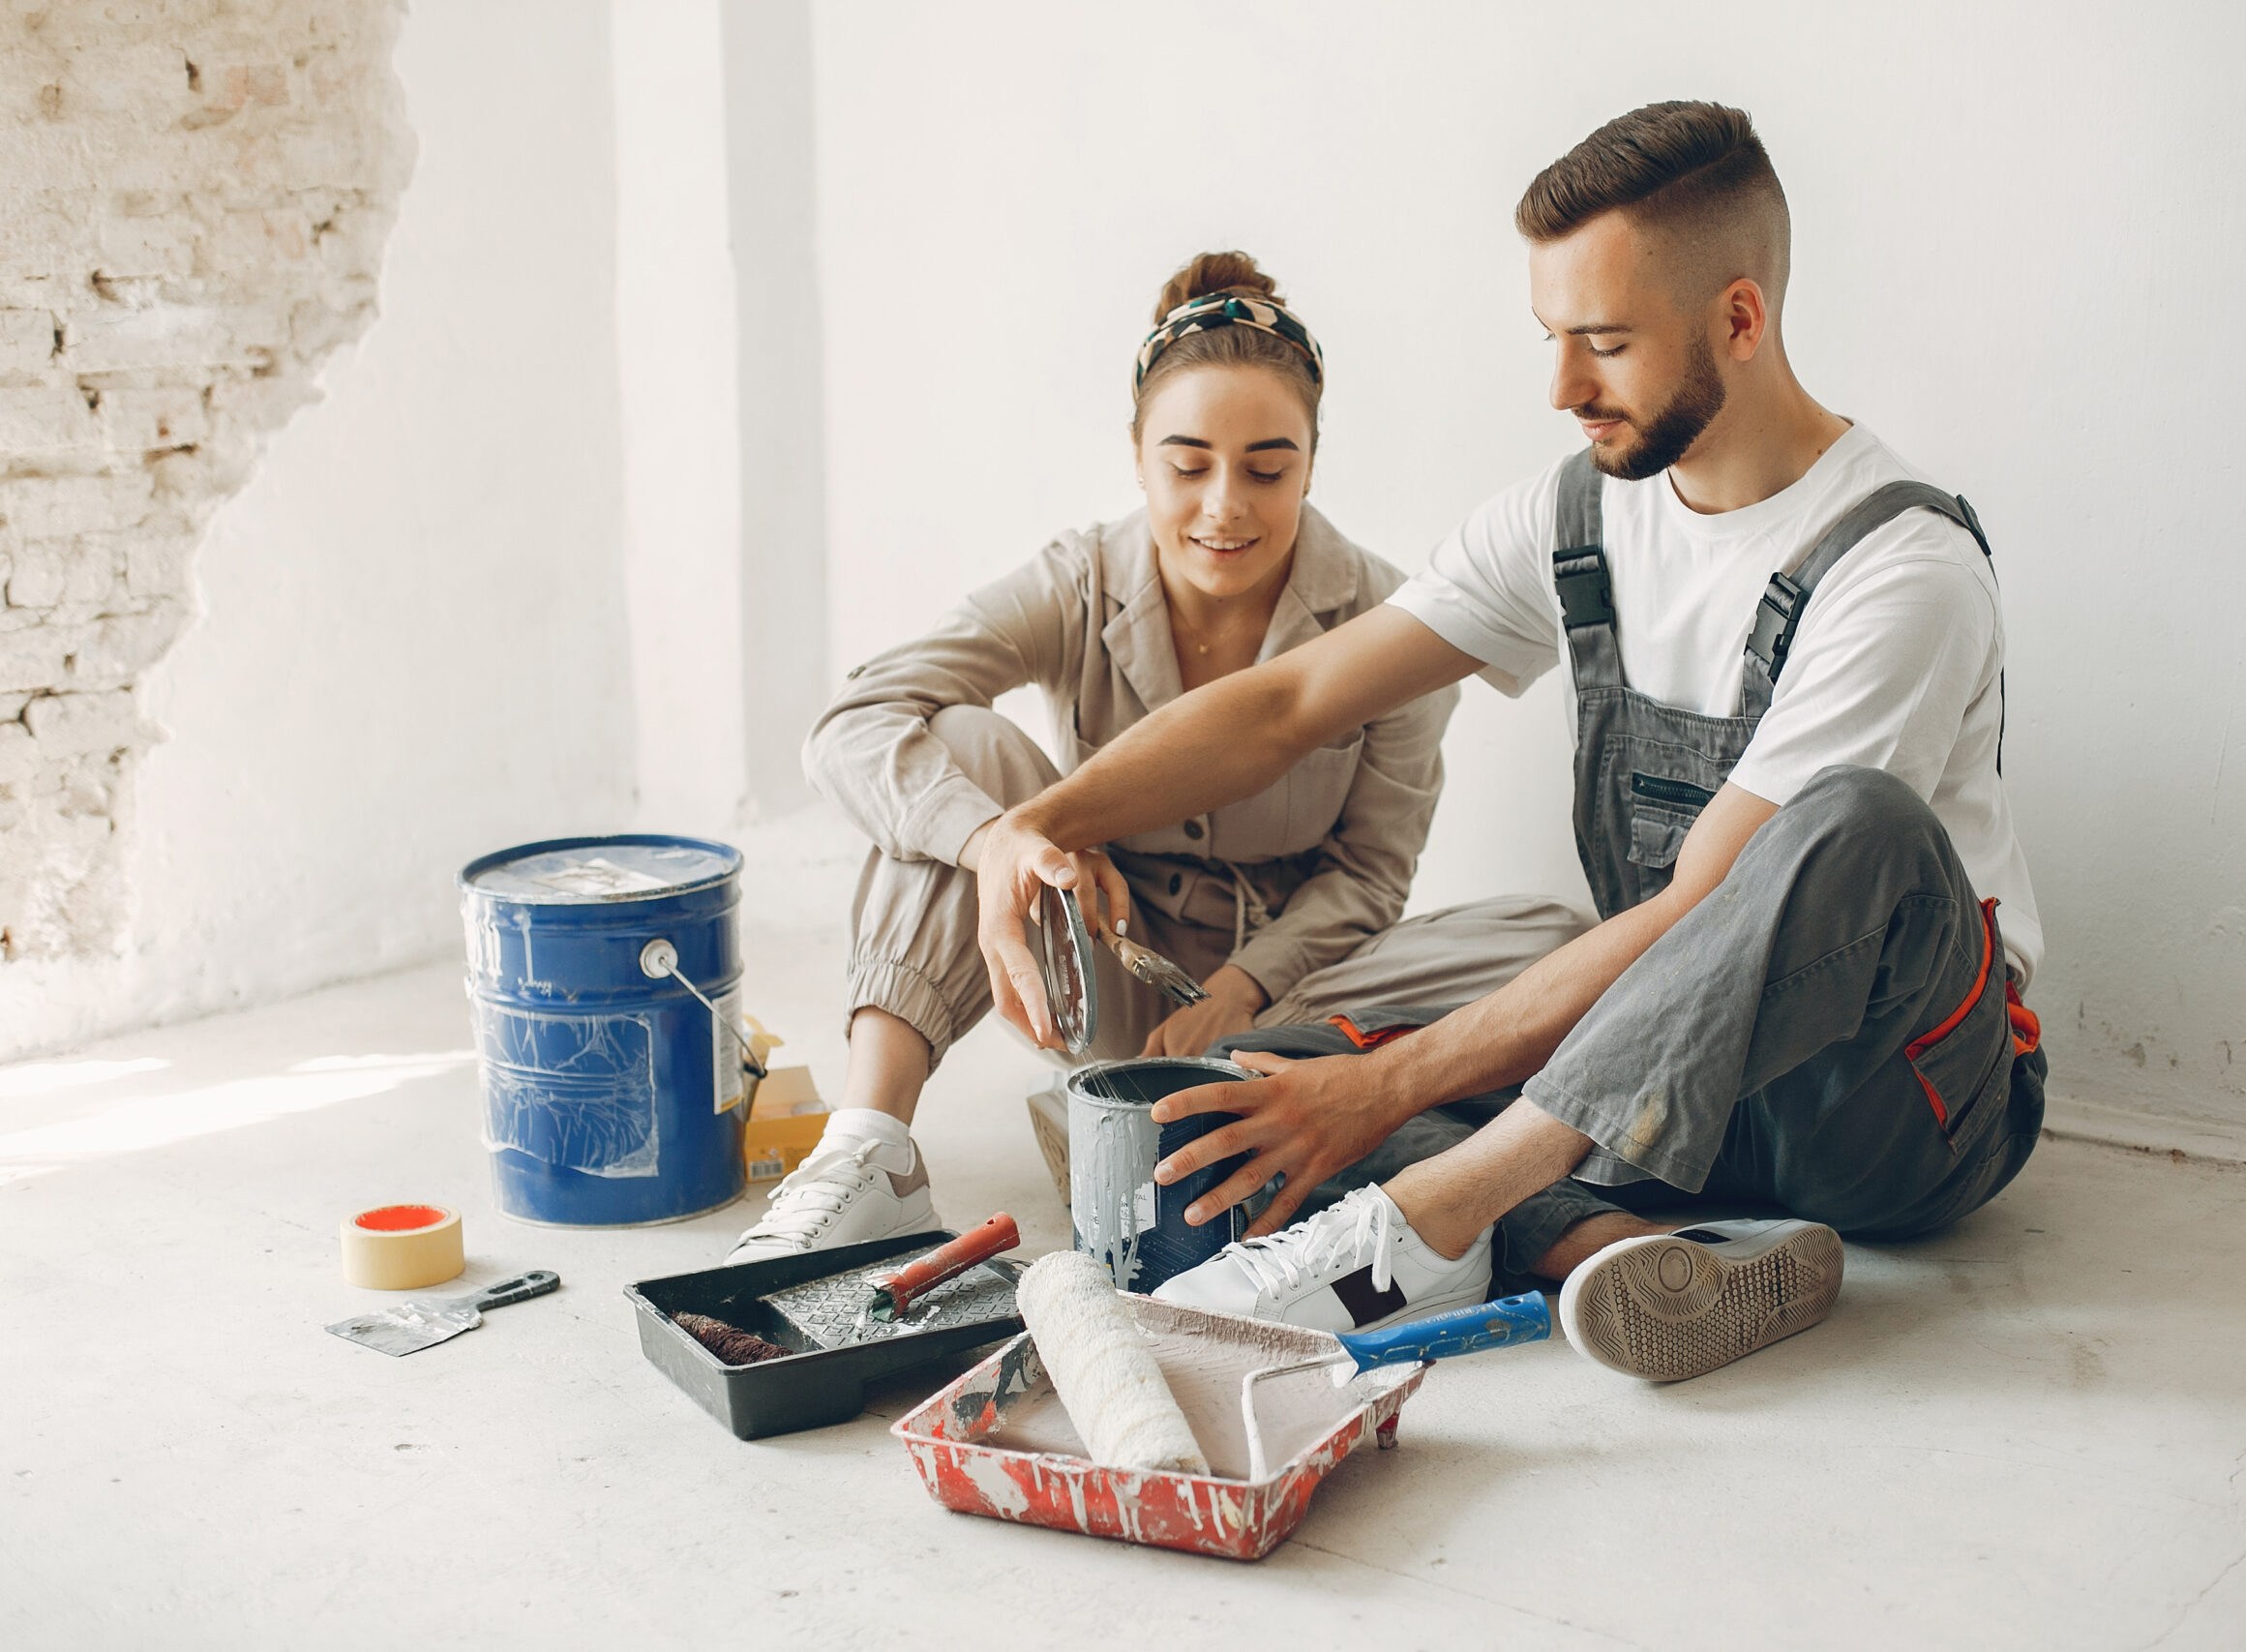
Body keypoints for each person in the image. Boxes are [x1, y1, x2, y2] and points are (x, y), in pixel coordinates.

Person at [971, 104, 2049, 1382]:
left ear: (1739, 320)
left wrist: (1388, 1097)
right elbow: (1289, 701)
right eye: (1552, 339)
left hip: (1892, 1103)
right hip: (1662, 1100)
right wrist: (1043, 821)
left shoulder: (1899, 563)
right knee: (1271, 1073)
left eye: (1604, 344)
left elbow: (1703, 910)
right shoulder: (1575, 513)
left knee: (1854, 821)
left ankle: (1441, 1209)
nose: (1561, 388)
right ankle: (1617, 1252)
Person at [726, 252, 1589, 1265]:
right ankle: (869, 1149)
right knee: (957, 751)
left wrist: (1245, 987)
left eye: (1268, 469)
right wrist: (996, 844)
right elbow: (854, 721)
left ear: (1312, 460)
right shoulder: (1078, 578)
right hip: (1098, 966)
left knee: (1554, 940)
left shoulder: (1390, 618)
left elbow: (1369, 876)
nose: (1225, 505)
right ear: (1137, 457)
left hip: (1294, 998)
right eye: (1187, 466)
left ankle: (1155, 1111)